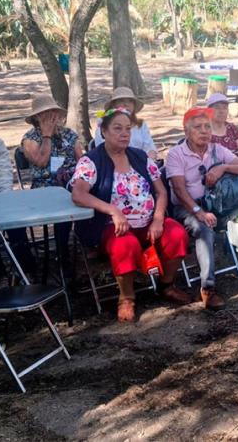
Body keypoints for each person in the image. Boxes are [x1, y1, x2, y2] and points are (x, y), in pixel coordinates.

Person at [70, 108, 191, 322]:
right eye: (117, 128)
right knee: (125, 245)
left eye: (128, 129)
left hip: (148, 221)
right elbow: (78, 194)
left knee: (177, 234)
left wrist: (158, 218)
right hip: (112, 226)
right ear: (103, 131)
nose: (124, 133)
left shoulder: (140, 156)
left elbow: (161, 191)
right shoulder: (92, 161)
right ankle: (127, 297)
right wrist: (113, 210)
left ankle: (166, 285)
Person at [166, 107, 238, 309]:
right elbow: (179, 191)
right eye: (198, 127)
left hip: (219, 205)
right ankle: (208, 288)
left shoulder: (217, 149)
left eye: (207, 126)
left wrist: (222, 167)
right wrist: (200, 212)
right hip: (189, 208)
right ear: (186, 131)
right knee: (203, 229)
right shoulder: (176, 154)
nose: (205, 131)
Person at [21, 94, 82, 275]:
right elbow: (40, 161)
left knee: (84, 195)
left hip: (70, 182)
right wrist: (46, 136)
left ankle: (74, 248)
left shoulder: (70, 135)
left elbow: (82, 161)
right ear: (36, 118)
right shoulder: (30, 138)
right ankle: (62, 254)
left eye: (53, 113)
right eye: (45, 114)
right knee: (60, 204)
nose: (51, 117)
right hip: (44, 187)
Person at [0, 109, 35, 284]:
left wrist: (4, 203)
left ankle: (26, 270)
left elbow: (5, 175)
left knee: (16, 225)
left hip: (0, 198)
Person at [94, 87, 157, 160]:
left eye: (130, 101)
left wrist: (147, 161)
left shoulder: (141, 124)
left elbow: (150, 148)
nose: (126, 104)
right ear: (113, 105)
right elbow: (101, 150)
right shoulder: (104, 125)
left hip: (141, 163)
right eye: (121, 101)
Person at [207, 92, 238, 156]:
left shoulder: (231, 128)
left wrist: (230, 158)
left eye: (225, 108)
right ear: (208, 110)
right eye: (217, 108)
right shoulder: (203, 130)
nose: (221, 111)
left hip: (236, 164)